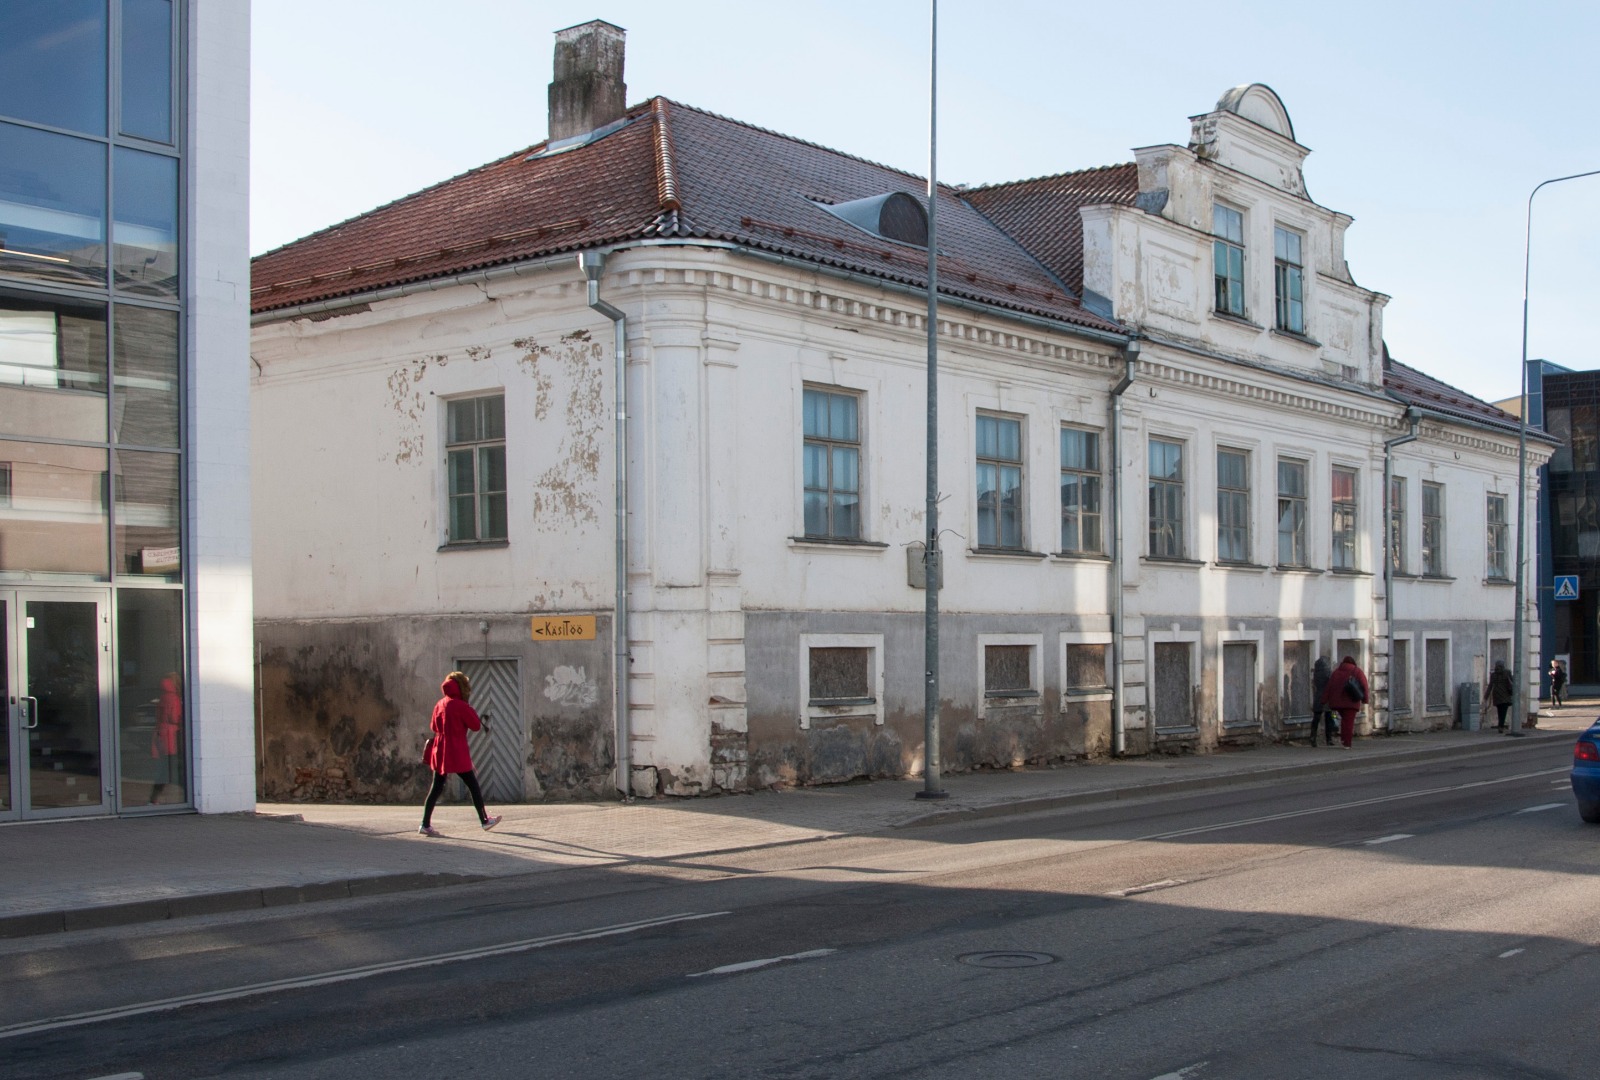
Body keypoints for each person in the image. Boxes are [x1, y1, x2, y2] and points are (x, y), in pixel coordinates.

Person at [419, 671, 501, 836]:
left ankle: (424, 824)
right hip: (456, 750)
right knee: (472, 784)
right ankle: (485, 821)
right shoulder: (460, 705)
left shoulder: (440, 704)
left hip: (440, 750)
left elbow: (434, 727)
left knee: (436, 787)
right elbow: (475, 725)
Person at [1321, 654, 1369, 749]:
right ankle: (1347, 743)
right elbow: (1364, 686)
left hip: (1337, 703)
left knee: (1344, 721)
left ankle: (1343, 740)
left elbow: (1329, 687)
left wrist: (1323, 700)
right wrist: (1365, 699)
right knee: (1348, 722)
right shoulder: (1357, 671)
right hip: (1351, 702)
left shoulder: (1336, 672)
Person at [149, 671, 183, 804]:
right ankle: (156, 798)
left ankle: (154, 798)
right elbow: (174, 717)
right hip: (172, 736)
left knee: (163, 767)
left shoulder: (163, 697)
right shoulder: (174, 698)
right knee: (170, 768)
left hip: (162, 734)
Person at [1310, 656, 1338, 747]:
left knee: (1316, 718)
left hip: (1318, 697)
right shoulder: (1329, 673)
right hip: (1327, 698)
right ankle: (1329, 739)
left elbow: (1314, 685)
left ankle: (1313, 737)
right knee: (1329, 718)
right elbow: (1332, 685)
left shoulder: (1316, 673)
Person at [1485, 660, 1514, 731]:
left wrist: (1486, 696)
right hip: (1505, 695)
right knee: (1503, 711)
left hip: (1497, 695)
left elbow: (1490, 686)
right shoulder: (1507, 672)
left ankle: (1500, 725)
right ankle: (1501, 725)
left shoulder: (1494, 674)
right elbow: (1512, 682)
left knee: (1500, 711)